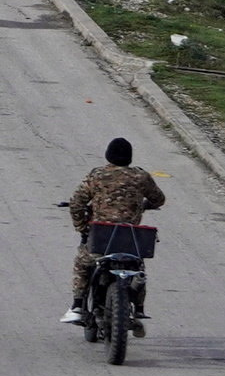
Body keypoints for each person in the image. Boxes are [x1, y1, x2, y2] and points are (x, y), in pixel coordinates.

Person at [63, 136, 165, 334]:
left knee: (82, 264)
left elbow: (77, 202)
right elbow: (159, 199)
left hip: (101, 239)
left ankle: (77, 305)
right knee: (139, 269)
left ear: (108, 156)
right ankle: (139, 309)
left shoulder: (97, 175)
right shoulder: (141, 177)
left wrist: (82, 228)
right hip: (130, 240)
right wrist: (144, 205)